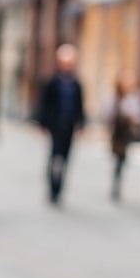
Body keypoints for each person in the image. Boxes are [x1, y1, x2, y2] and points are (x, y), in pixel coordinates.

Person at [35, 43, 85, 205]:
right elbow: (45, 104)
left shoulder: (76, 84)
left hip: (69, 125)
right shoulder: (52, 82)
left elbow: (80, 106)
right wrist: (43, 124)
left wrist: (81, 124)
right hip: (55, 125)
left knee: (65, 158)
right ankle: (52, 187)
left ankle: (59, 189)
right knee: (55, 157)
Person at [107, 72, 140, 202]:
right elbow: (107, 112)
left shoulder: (136, 97)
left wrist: (135, 119)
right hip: (118, 132)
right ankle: (116, 181)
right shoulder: (115, 97)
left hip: (128, 133)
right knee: (118, 156)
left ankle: (118, 181)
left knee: (122, 157)